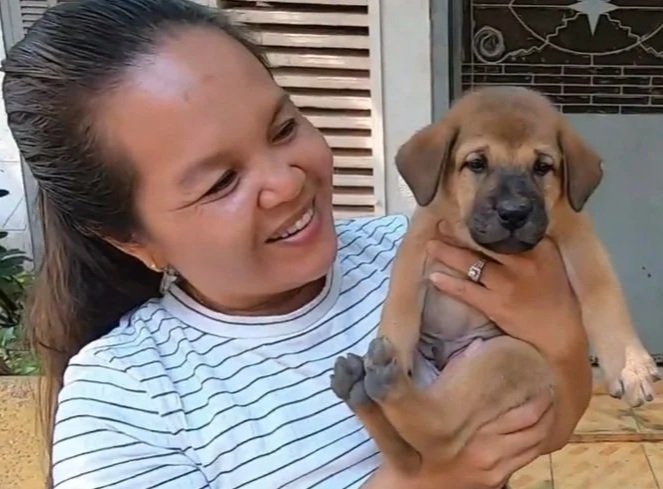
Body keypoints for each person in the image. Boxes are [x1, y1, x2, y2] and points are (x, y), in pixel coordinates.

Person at [1, 0, 592, 488]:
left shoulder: (416, 254)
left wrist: (562, 341)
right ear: (130, 239)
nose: (286, 182)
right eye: (221, 182)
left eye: (284, 128)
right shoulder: (125, 402)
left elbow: (550, 420)